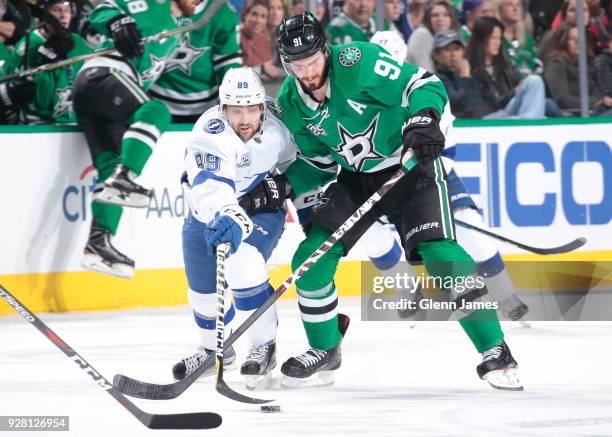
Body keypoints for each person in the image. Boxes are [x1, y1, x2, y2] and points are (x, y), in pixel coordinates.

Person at [249, 12, 523, 390]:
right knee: (309, 260)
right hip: (355, 180)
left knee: (441, 255)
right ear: (286, 64)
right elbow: (320, 164)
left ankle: (495, 350)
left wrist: (424, 119)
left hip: (409, 170)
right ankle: (325, 347)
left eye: (312, 61)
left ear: (325, 52)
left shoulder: (356, 62)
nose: (308, 72)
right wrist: (284, 186)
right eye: (297, 65)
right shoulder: (291, 102)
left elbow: (422, 84)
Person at [173, 67, 301, 388]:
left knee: (244, 265)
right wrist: (228, 214)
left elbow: (301, 162)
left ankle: (263, 345)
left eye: (251, 109)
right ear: (222, 109)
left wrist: (291, 190)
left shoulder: (280, 123)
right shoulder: (210, 132)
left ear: (262, 106)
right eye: (235, 109)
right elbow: (210, 186)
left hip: (261, 207)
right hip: (211, 211)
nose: (244, 118)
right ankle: (216, 350)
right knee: (201, 291)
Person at [72, 0, 182, 278]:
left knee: (110, 170)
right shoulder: (154, 5)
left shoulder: (178, 31)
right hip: (105, 74)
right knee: (156, 110)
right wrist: (116, 21)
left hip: (102, 95)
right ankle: (126, 174)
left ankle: (98, 242)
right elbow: (102, 10)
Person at [148, 0, 242, 123]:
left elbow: (228, 64)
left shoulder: (222, 11)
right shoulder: (157, 5)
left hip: (204, 108)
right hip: (156, 102)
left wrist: (234, 98)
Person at [4, 0, 91, 124]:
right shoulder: (28, 47)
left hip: (73, 123)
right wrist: (46, 61)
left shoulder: (77, 41)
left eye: (67, 10)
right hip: (39, 126)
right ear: (44, 15)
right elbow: (40, 102)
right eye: (56, 9)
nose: (63, 15)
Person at [466, 16, 547, 118]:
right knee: (539, 116)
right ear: (481, 39)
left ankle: (529, 123)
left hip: (507, 111)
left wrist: (520, 88)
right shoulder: (468, 68)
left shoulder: (504, 65)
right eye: (493, 38)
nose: (497, 43)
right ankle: (530, 125)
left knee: (534, 81)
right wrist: (515, 91)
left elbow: (520, 85)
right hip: (487, 117)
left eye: (499, 38)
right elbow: (489, 104)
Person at [544, 23, 612, 116]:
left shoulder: (588, 63)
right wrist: (598, 101)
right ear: (562, 41)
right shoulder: (556, 64)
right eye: (572, 39)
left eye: (580, 38)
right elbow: (562, 99)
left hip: (597, 112)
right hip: (575, 117)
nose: (578, 42)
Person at [407, 0, 460, 71]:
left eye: (445, 15)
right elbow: (425, 74)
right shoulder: (420, 37)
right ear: (428, 19)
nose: (440, 19)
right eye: (435, 15)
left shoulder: (452, 36)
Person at [493, 0, 543, 75]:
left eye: (518, 5)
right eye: (509, 4)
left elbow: (536, 64)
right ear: (499, 9)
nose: (515, 8)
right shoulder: (495, 39)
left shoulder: (527, 40)